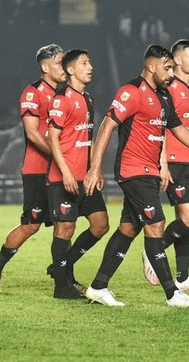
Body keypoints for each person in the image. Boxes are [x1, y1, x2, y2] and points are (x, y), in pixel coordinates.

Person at [83, 44, 189, 307]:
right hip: (133, 170)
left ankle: (98, 286)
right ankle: (173, 293)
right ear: (151, 66)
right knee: (156, 225)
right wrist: (95, 168)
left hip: (149, 171)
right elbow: (106, 126)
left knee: (129, 228)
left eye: (173, 68)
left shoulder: (163, 96)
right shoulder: (131, 91)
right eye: (167, 68)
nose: (171, 73)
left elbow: (180, 130)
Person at [0, 44, 67, 293]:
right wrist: (59, 156)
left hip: (63, 170)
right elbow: (32, 133)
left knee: (67, 223)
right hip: (38, 170)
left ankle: (64, 277)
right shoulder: (33, 93)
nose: (64, 67)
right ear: (45, 66)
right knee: (31, 224)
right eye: (59, 63)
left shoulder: (66, 94)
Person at [140, 39, 189, 291]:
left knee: (185, 221)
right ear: (178, 60)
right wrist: (162, 162)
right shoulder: (170, 88)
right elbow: (160, 126)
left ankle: (183, 277)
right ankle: (153, 250)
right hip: (174, 162)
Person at [47, 49, 109, 299]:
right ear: (71, 70)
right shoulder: (61, 99)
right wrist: (66, 172)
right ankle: (61, 287)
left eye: (90, 62)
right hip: (63, 178)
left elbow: (88, 138)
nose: (90, 67)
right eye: (84, 63)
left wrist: (95, 168)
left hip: (86, 177)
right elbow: (52, 138)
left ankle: (60, 267)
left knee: (100, 225)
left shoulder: (88, 99)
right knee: (65, 228)